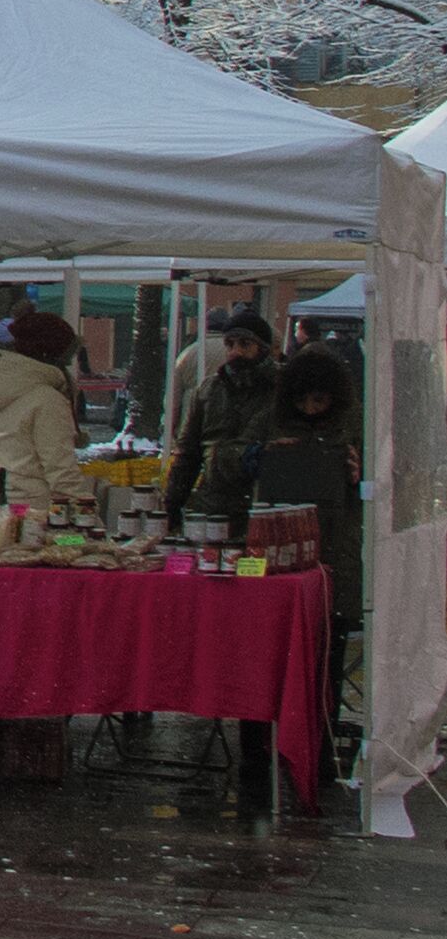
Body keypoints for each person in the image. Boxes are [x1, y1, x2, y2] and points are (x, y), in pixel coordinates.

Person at [257, 341, 363, 772]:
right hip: (282, 560)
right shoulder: (272, 420)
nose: (311, 408)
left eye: (319, 399)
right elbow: (228, 458)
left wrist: (361, 474)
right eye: (303, 399)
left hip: (335, 558)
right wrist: (256, 458)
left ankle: (319, 753)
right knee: (279, 659)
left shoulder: (355, 425)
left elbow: (384, 484)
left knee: (327, 665)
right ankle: (271, 751)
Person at [167, 307, 282, 536]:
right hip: (212, 507)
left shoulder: (283, 388)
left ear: (263, 348)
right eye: (230, 344)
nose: (235, 351)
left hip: (264, 508)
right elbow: (187, 454)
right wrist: (171, 505)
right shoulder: (209, 390)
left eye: (244, 344)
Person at [0, 308, 89, 514]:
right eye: (66, 356)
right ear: (51, 355)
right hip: (31, 513)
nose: (69, 363)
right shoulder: (47, 400)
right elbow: (61, 472)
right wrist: (84, 522)